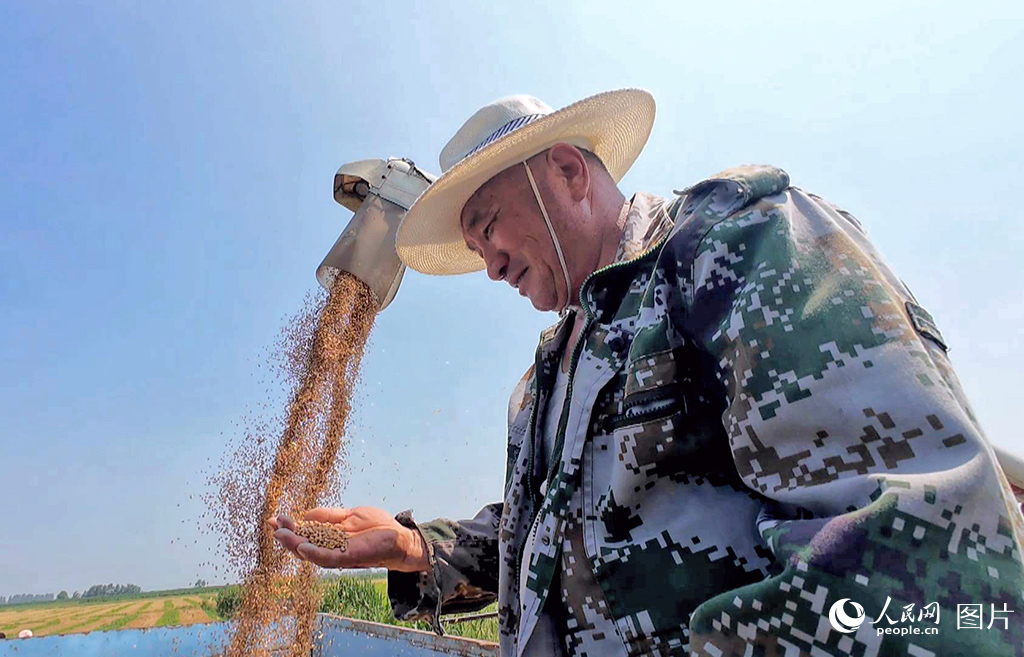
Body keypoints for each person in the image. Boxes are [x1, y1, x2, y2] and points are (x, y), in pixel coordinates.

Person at [273, 89, 1024, 656]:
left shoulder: (732, 248)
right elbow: (545, 538)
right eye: (473, 246)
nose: (490, 264)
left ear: (567, 171)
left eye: (490, 225)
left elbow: (915, 554)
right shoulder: (543, 382)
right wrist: (414, 547)